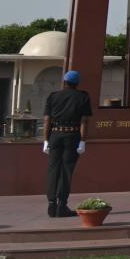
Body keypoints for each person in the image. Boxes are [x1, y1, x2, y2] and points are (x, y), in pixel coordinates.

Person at [42, 70, 92, 218]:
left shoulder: (53, 96)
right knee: (66, 170)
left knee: (53, 169)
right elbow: (84, 121)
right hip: (72, 135)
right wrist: (83, 141)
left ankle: (51, 205)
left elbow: (47, 120)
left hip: (55, 135)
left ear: (64, 82)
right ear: (77, 83)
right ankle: (61, 205)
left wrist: (45, 140)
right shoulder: (83, 96)